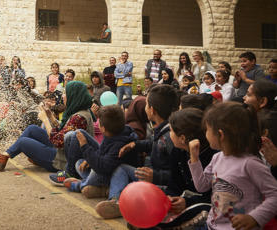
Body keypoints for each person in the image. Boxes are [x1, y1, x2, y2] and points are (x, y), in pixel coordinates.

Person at [188, 102, 277, 229]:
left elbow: (274, 195)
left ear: (221, 134)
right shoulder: (217, 158)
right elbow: (202, 186)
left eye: (207, 129)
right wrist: (194, 159)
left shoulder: (250, 164)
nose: (205, 134)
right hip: (212, 225)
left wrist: (254, 218)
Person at [94, 84, 177, 219]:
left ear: (152, 110)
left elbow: (179, 175)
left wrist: (155, 176)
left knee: (131, 186)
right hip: (151, 176)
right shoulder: (161, 129)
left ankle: (121, 203)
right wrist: (134, 145)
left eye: (146, 104)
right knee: (122, 170)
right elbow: (152, 144)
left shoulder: (170, 137)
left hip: (161, 186)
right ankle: (115, 200)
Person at [0, 81, 95, 173]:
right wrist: (51, 117)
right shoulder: (79, 112)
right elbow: (64, 130)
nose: (63, 96)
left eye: (66, 93)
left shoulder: (79, 117)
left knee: (23, 142)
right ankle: (4, 156)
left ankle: (3, 157)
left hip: (62, 160)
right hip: (62, 151)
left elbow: (58, 141)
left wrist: (45, 120)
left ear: (74, 96)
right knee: (32, 129)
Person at [156, 108, 217, 228]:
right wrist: (170, 199)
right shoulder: (177, 151)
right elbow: (174, 184)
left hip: (205, 204)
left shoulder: (214, 156)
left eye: (171, 131)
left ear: (183, 138)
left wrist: (187, 202)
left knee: (203, 211)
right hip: (183, 200)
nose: (169, 134)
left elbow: (215, 196)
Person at [61, 106, 139, 197]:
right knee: (79, 163)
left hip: (111, 174)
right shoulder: (112, 133)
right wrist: (89, 160)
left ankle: (81, 185)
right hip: (105, 166)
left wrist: (85, 146)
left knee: (95, 171)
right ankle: (98, 188)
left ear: (103, 128)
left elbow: (102, 168)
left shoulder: (119, 143)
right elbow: (102, 152)